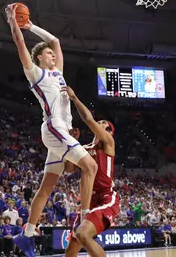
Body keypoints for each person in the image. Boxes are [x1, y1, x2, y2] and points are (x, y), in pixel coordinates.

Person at [5, 4, 98, 257]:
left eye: (53, 54)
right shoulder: (35, 74)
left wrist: (31, 25)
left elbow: (55, 40)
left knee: (46, 188)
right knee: (91, 167)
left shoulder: (58, 73)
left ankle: (26, 234)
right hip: (54, 127)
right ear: (39, 58)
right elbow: (20, 44)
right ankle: (85, 219)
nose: (53, 55)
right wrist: (15, 23)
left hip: (60, 132)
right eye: (48, 54)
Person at [64, 86, 119, 257]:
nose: (100, 124)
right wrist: (72, 143)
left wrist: (74, 98)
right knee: (72, 247)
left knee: (82, 234)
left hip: (105, 197)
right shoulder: (85, 148)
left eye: (104, 124)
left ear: (109, 132)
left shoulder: (108, 142)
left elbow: (88, 119)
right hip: (89, 199)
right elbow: (68, 169)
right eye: (100, 122)